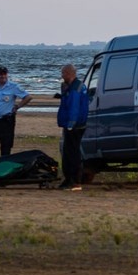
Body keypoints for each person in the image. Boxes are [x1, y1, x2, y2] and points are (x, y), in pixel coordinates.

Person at [56, 63, 89, 191]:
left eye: (63, 73)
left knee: (72, 153)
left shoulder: (75, 88)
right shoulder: (73, 87)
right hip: (76, 124)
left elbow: (74, 108)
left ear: (69, 74)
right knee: (69, 152)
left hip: (75, 126)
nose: (62, 75)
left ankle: (74, 180)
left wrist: (70, 124)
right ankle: (69, 179)